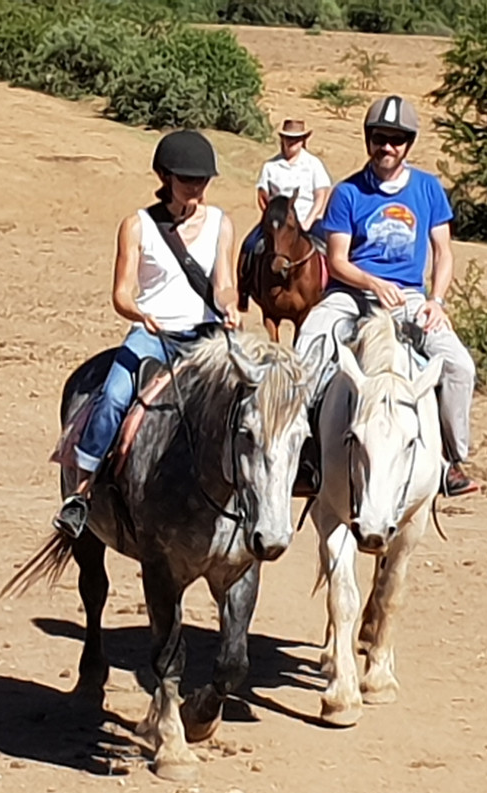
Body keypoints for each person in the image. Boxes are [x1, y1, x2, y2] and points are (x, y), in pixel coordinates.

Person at [53, 130, 241, 537]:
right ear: (164, 176)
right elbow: (121, 293)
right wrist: (139, 313)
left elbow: (224, 282)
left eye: (203, 180)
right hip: (152, 333)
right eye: (188, 179)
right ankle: (81, 493)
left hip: (206, 336)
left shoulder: (222, 224)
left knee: (253, 396)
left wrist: (229, 306)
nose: (197, 187)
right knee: (114, 396)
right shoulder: (136, 226)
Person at [293, 96, 480, 497]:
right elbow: (338, 261)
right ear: (368, 140)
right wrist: (371, 283)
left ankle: (452, 458)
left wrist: (437, 301)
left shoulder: (429, 189)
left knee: (459, 366)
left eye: (396, 140)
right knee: (309, 343)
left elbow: (443, 252)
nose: (387, 147)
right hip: (350, 294)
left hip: (410, 298)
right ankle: (305, 451)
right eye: (380, 138)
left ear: (408, 144)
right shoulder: (347, 193)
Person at [239, 119, 332, 271]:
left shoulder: (314, 164)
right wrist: (271, 218)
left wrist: (309, 221)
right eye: (288, 138)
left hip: (308, 218)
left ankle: (334, 284)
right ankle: (245, 285)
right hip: (277, 222)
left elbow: (321, 195)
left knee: (331, 246)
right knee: (250, 245)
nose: (292, 142)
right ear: (282, 139)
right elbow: (262, 196)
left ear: (303, 140)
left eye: (296, 139)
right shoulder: (270, 166)